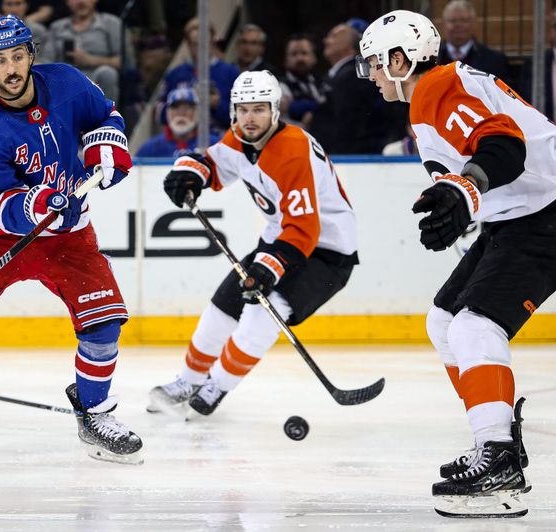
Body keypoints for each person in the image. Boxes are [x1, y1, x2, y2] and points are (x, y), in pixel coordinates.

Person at [0, 14, 143, 465]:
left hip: (69, 236)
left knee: (103, 325)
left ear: (32, 55)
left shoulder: (69, 83)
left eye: (18, 56)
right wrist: (38, 204)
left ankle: (95, 410)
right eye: (0, 60)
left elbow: (104, 115)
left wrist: (105, 149)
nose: (11, 68)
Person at [357, 9, 556, 517]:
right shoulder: (437, 92)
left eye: (375, 64)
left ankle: (500, 458)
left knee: (473, 327)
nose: (372, 75)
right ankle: (495, 441)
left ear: (401, 59)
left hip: (545, 213)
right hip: (518, 216)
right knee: (444, 322)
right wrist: (461, 196)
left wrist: (465, 187)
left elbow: (503, 147)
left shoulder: (436, 86)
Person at [148, 71, 358, 419]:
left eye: (259, 109)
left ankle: (216, 385)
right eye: (243, 109)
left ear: (274, 111)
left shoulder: (291, 150)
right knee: (223, 306)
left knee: (263, 312)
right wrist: (191, 173)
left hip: (327, 253)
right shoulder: (241, 139)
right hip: (281, 240)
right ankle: (188, 380)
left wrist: (268, 267)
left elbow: (305, 227)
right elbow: (216, 164)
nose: (250, 118)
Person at [308, 21, 384, 154]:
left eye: (333, 36)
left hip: (348, 158)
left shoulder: (352, 75)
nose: (326, 41)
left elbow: (346, 124)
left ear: (349, 44)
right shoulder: (337, 74)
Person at [40, 0, 135, 103]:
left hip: (97, 76)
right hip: (65, 80)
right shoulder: (56, 27)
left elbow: (126, 61)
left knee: (107, 73)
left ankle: (107, 116)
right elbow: (46, 61)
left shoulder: (112, 23)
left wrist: (90, 60)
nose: (81, 2)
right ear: (67, 2)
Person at [157, 17, 240, 130]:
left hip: (221, 141)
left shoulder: (231, 73)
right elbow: (159, 114)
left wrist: (217, 105)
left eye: (205, 43)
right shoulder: (175, 75)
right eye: (195, 44)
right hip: (184, 142)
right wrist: (180, 108)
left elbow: (242, 117)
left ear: (213, 42)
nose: (201, 49)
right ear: (188, 44)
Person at [136, 87, 220, 158]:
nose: (181, 113)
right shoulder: (149, 148)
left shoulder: (215, 146)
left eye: (187, 108)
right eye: (175, 108)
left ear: (197, 113)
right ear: (167, 113)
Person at [437, 0, 509, 80]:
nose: (458, 25)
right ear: (443, 24)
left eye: (464, 20)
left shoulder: (494, 61)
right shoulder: (431, 58)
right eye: (453, 21)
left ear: (474, 23)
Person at [281, 34, 323, 129]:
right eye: (294, 54)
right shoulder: (278, 86)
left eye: (304, 53)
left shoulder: (323, 83)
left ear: (314, 58)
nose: (300, 58)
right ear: (285, 60)